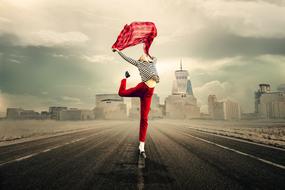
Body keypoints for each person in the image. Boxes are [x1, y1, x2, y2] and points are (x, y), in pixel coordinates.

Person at [112, 48, 159, 158]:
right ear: (140, 59)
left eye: (145, 55)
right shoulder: (139, 63)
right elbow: (127, 58)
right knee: (122, 93)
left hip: (149, 93)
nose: (144, 55)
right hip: (142, 88)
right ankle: (124, 78)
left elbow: (155, 58)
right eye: (142, 56)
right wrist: (118, 51)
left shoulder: (153, 63)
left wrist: (149, 54)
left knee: (144, 118)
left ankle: (141, 146)